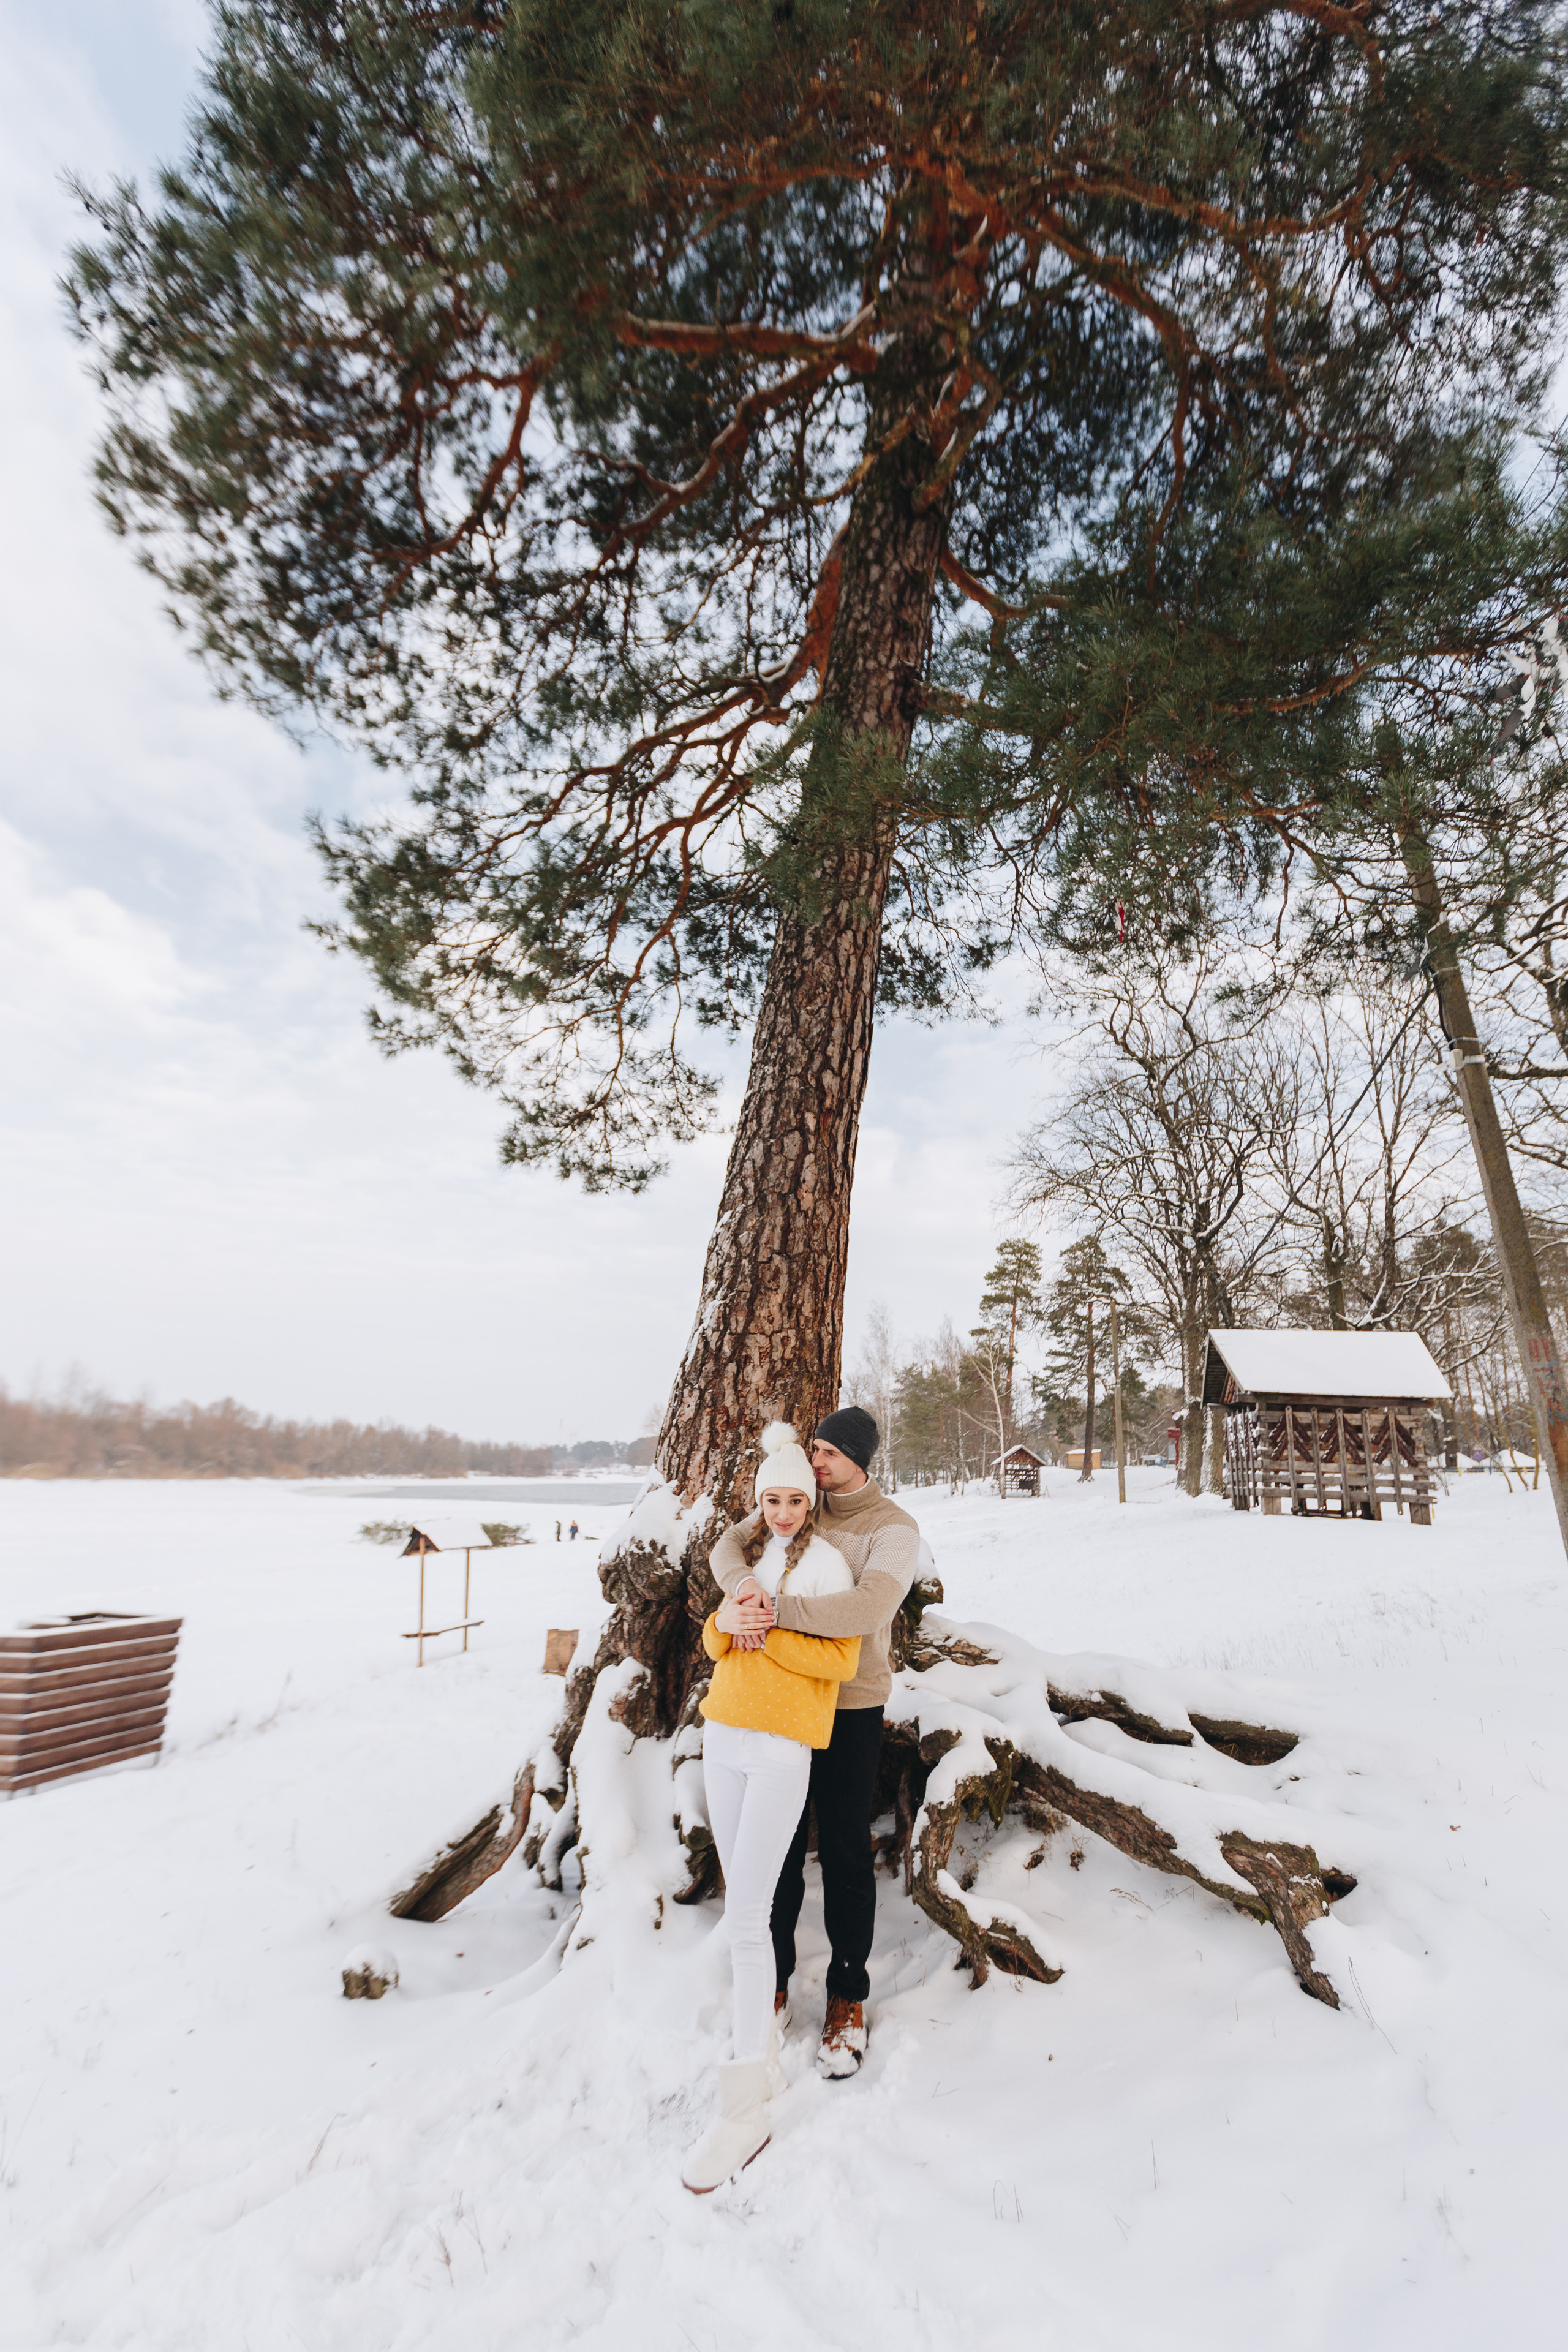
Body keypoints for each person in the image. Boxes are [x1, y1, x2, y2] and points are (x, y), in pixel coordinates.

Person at [712, 1405, 920, 2079]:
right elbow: (725, 1547)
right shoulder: (800, 1503)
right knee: (776, 1853)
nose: (816, 1464)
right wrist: (744, 1587)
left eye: (828, 1453)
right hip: (784, 1704)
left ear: (861, 1458)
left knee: (844, 1852)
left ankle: (846, 1995)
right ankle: (768, 1985)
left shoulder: (891, 1527)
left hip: (852, 1705)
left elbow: (868, 1610)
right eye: (814, 1452)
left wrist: (774, 1617)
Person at [682, 1422, 861, 2193]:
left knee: (752, 1919)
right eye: (772, 1500)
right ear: (758, 1503)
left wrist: (772, 1624)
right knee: (741, 1908)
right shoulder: (749, 1558)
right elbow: (714, 1643)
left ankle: (745, 2104)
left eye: (795, 1498)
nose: (783, 1511)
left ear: (811, 1500)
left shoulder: (826, 1564)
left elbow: (841, 1658)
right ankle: (758, 2068)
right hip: (722, 1735)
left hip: (782, 1745)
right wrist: (729, 1621)